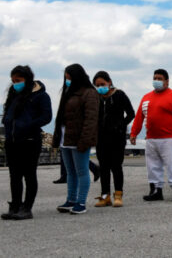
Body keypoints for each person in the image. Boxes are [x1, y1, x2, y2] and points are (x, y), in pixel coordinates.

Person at [1, 66, 52, 220]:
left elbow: (46, 117)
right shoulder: (13, 94)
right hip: (12, 141)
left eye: (18, 80)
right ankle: (15, 205)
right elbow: (9, 114)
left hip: (30, 141)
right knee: (14, 176)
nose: (15, 83)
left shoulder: (41, 96)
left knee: (29, 175)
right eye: (13, 80)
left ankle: (27, 207)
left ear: (27, 79)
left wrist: (28, 125)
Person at [130, 69, 172, 202]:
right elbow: (139, 117)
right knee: (152, 166)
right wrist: (133, 133)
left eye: (159, 78)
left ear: (167, 81)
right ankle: (156, 191)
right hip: (151, 139)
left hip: (169, 138)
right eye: (155, 78)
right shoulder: (146, 97)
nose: (156, 81)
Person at [53, 64, 99, 215]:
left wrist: (85, 140)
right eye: (66, 78)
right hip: (65, 138)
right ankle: (71, 200)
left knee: (82, 171)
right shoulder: (68, 92)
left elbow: (91, 120)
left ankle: (81, 202)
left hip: (78, 139)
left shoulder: (89, 93)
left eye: (69, 78)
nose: (67, 81)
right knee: (70, 172)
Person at [93, 71, 135, 207]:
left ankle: (118, 195)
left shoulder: (119, 95)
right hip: (101, 138)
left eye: (102, 84)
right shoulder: (96, 97)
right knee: (103, 167)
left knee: (116, 167)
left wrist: (120, 126)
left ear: (109, 82)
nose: (100, 87)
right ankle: (105, 196)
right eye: (97, 85)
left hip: (117, 138)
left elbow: (131, 113)